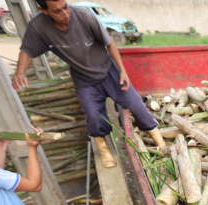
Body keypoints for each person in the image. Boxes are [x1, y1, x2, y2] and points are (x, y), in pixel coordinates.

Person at [11, 0, 165, 168]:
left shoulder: (83, 16)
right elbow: (27, 50)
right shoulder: (39, 27)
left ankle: (160, 142)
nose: (65, 13)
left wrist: (122, 70)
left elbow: (109, 43)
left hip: (108, 71)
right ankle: (104, 150)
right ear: (44, 11)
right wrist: (20, 72)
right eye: (58, 11)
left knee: (136, 104)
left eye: (65, 7)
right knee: (93, 116)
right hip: (84, 79)